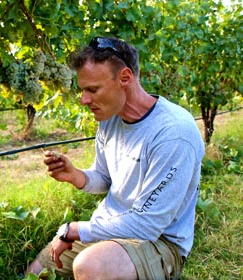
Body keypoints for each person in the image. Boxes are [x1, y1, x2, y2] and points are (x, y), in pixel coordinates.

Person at [25, 37, 205, 280]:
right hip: (110, 229)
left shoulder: (174, 133)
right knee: (34, 274)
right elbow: (104, 178)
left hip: (158, 242)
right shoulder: (110, 119)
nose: (83, 100)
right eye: (82, 90)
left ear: (125, 79)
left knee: (90, 266)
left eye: (92, 89)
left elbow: (147, 225)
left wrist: (74, 230)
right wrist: (76, 175)